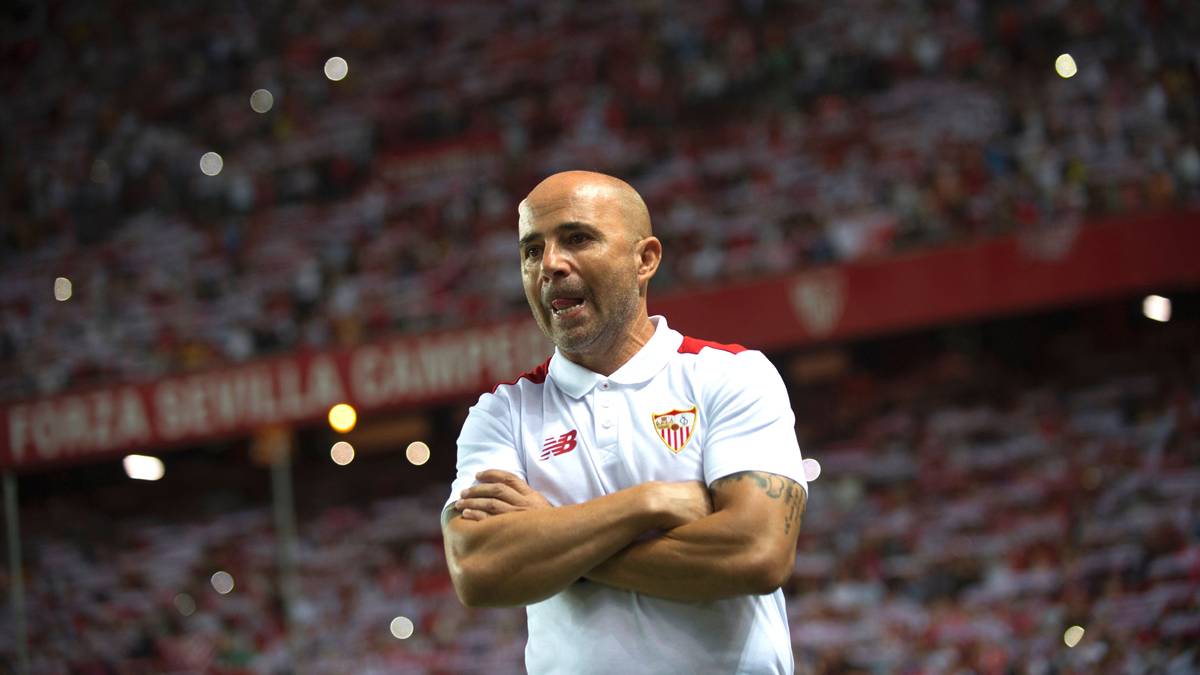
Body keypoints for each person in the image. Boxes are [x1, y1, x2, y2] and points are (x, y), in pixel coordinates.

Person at [441, 170, 809, 674]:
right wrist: (647, 503)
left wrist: (551, 538)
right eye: (531, 250)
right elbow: (480, 571)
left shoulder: (732, 376)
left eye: (577, 238)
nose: (549, 264)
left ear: (645, 259)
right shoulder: (501, 415)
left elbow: (758, 553)